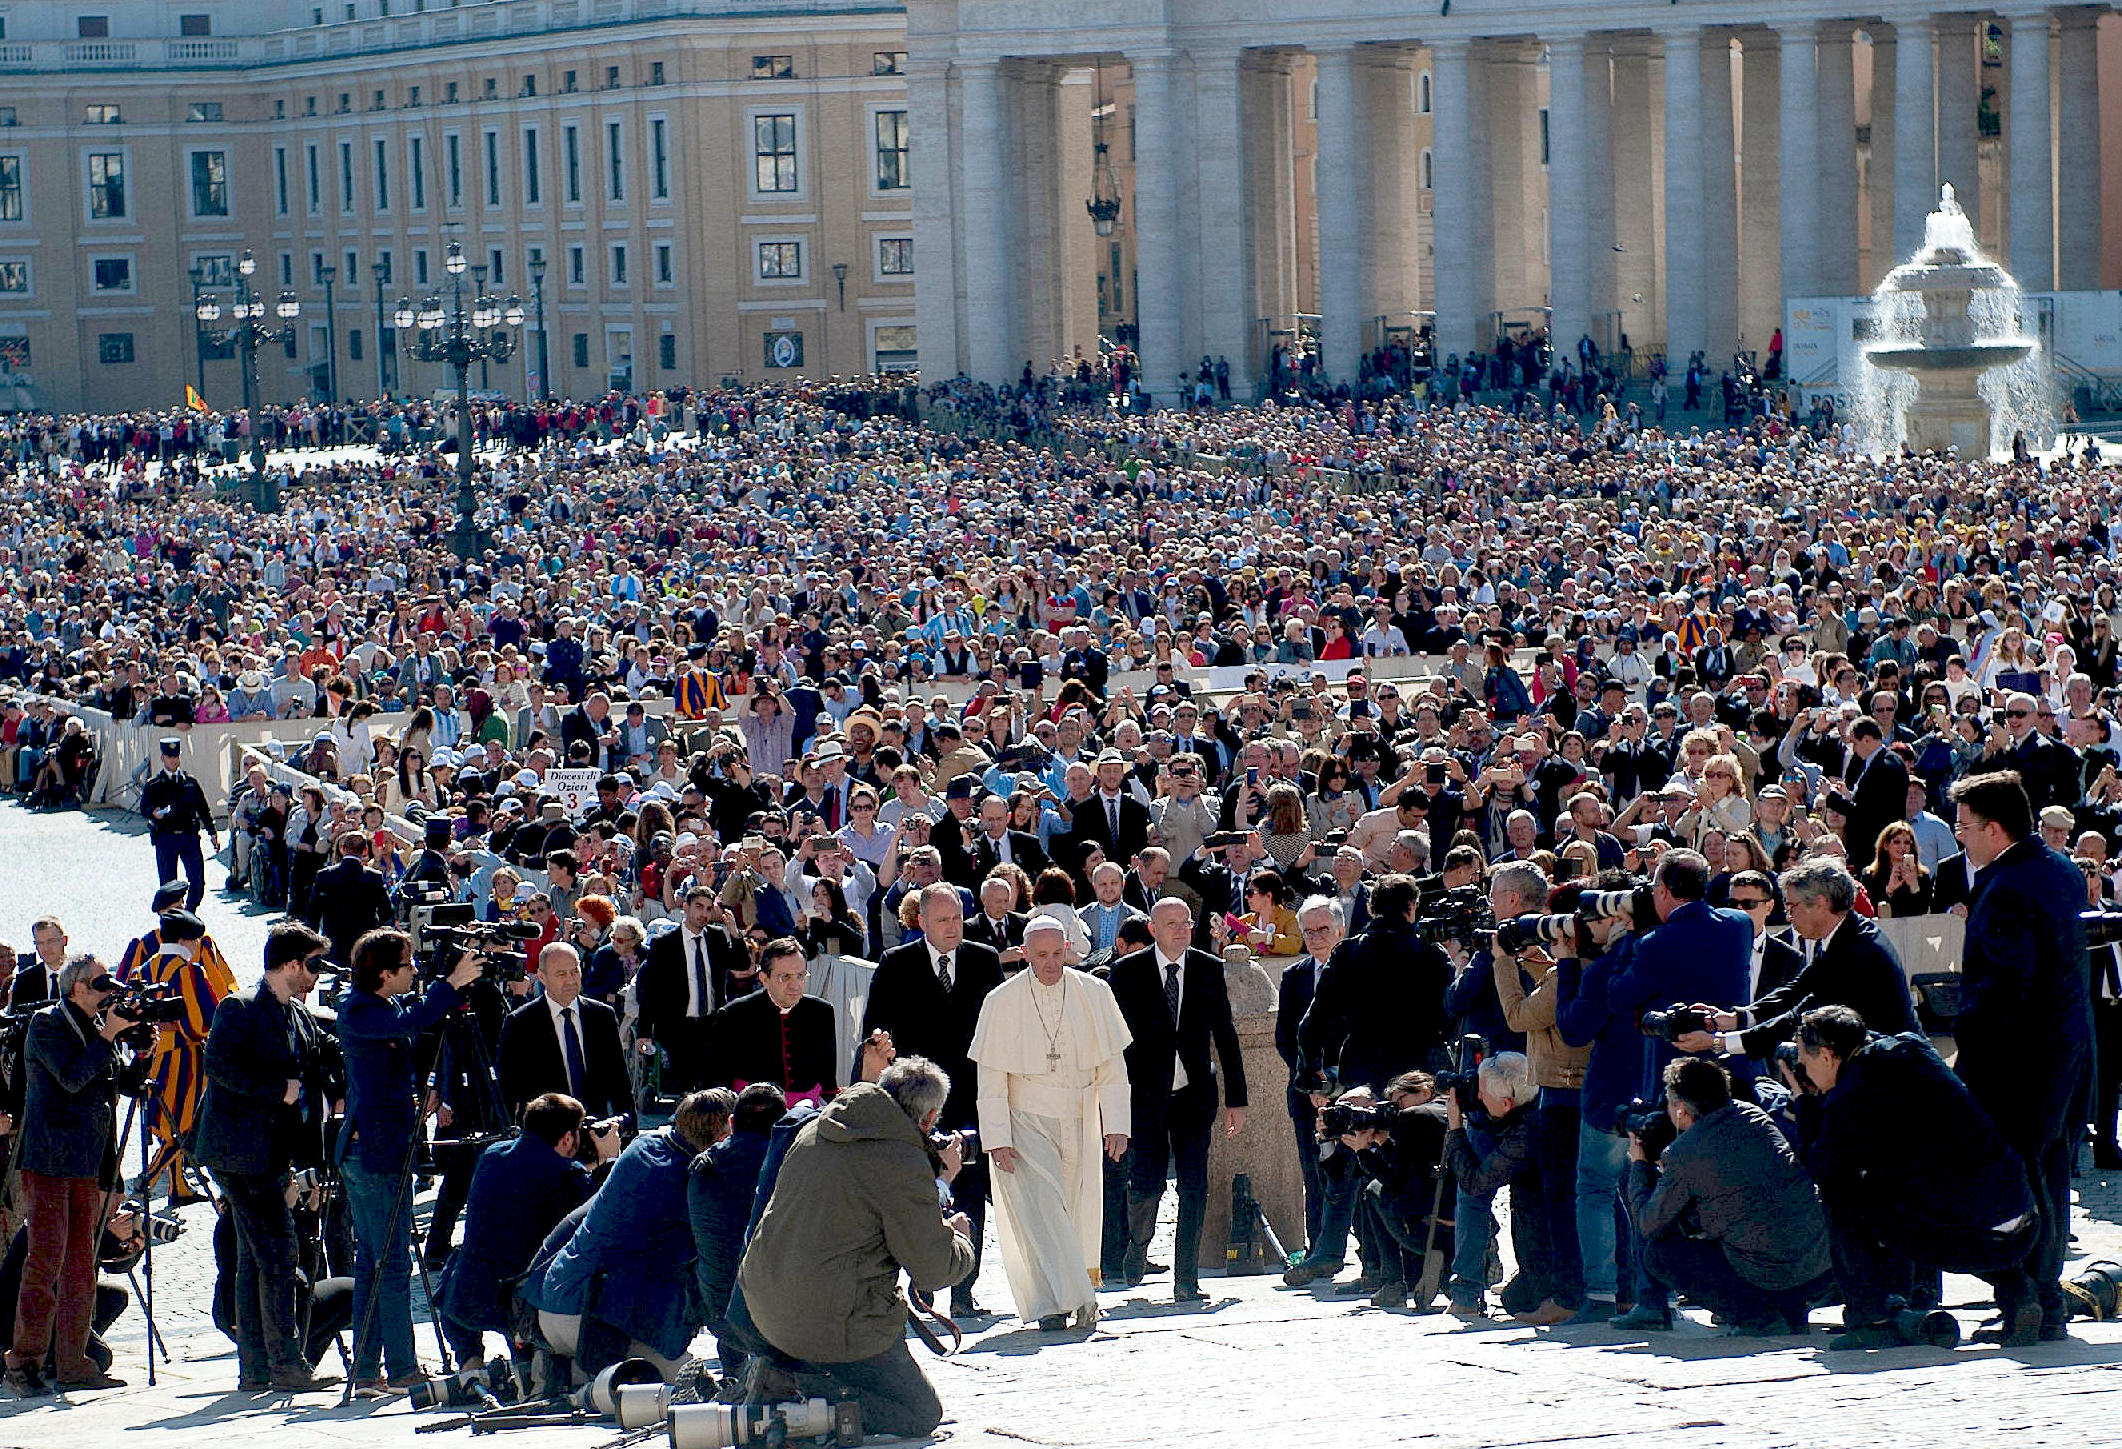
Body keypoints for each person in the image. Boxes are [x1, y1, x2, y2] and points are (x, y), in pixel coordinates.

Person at [736, 1057, 974, 1437]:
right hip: (830, 1321)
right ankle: (795, 1389)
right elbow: (934, 1269)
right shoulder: (901, 1160)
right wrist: (960, 1237)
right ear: (929, 1119)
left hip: (763, 1304)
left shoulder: (817, 1128)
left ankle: (787, 1372)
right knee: (919, 1413)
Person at [1781, 1006, 2040, 1350]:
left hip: (1971, 1240)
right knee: (1935, 1196)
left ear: (1827, 1056)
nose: (1804, 1070)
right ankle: (2019, 1295)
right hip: (2022, 1223)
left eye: (1805, 1061)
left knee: (1840, 1193)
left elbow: (1822, 1168)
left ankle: (1870, 1319)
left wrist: (1805, 1105)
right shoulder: (1911, 1048)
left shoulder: (1851, 1096)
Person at [1948, 770, 2095, 1343]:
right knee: (2049, 1174)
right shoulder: (2061, 870)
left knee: (2012, 1180)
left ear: (1995, 829)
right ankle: (2045, 1297)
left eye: (1965, 828)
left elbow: (2005, 983)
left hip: (2015, 1059)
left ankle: (2025, 1296)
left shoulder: (2007, 885)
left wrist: (1965, 1041)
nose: (1961, 838)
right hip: (2065, 1051)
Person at [334, 927, 482, 1397]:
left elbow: (413, 1026)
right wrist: (449, 984)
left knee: (374, 1263)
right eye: (407, 964)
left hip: (383, 1150)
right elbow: (410, 1022)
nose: (414, 971)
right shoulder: (359, 1009)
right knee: (391, 1263)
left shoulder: (383, 1005)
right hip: (371, 1155)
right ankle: (399, 1369)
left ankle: (368, 1370)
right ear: (383, 973)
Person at [193, 922, 340, 1393]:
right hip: (239, 1152)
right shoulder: (239, 1008)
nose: (317, 975)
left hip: (271, 1152)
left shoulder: (297, 1014)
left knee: (255, 1258)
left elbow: (319, 1059)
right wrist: (278, 1089)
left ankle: (255, 1368)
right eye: (313, 965)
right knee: (278, 1252)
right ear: (291, 964)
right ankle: (285, 1365)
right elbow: (219, 1067)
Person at [968, 915, 1132, 1330]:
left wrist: (1116, 1123)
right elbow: (991, 1077)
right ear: (1024, 954)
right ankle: (1068, 1301)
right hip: (1026, 1119)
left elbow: (1113, 1067)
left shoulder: (1094, 993)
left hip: (1080, 1116)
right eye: (1041, 955)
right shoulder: (1001, 1001)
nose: (1051, 963)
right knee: (1043, 1211)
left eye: (1058, 954)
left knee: (1073, 1210)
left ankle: (1062, 1299)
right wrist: (997, 1138)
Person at [858, 882, 1003, 1317]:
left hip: (971, 1097)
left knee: (970, 1191)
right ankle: (922, 1284)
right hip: (917, 1104)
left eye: (957, 918)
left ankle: (964, 1290)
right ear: (921, 922)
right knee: (918, 1195)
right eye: (942, 920)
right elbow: (876, 1032)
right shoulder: (896, 964)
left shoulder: (983, 959)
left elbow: (999, 1028)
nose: (952, 927)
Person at [4, 954, 145, 1397]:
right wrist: (109, 1035)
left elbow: (118, 1086)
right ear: (77, 987)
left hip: (86, 1162)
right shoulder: (47, 1024)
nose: (109, 991)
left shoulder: (98, 1027)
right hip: (49, 1162)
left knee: (81, 1264)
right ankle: (23, 1361)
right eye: (102, 983)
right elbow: (71, 1078)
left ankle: (74, 1362)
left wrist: (142, 1054)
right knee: (45, 1261)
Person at [1622, 1057, 1829, 1335]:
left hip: (1769, 1273)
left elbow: (1649, 1224)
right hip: (1818, 1264)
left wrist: (1640, 1165)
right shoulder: (1754, 1115)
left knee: (1661, 1255)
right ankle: (1788, 1309)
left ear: (1681, 1110)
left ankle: (1757, 1317)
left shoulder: (1683, 1153)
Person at [525, 1090, 721, 1380]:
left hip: (551, 1301)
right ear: (722, 1134)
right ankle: (582, 1379)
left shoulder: (642, 1147)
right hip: (589, 1319)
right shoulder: (691, 1181)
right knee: (688, 1379)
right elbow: (721, 1267)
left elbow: (573, 1221)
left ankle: (568, 1370)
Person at [1108, 896, 1247, 1303]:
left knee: (1194, 1185)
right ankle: (1138, 1245)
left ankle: (1186, 1277)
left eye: (1186, 923)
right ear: (1153, 929)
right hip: (1144, 1097)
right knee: (1145, 1184)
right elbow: (1113, 1042)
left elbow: (1225, 1034)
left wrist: (1237, 1099)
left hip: (1194, 1095)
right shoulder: (1127, 972)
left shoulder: (1208, 968)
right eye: (1172, 924)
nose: (1182, 930)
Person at [434, 1091, 612, 1370]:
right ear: (567, 1138)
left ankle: (470, 1361)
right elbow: (597, 1216)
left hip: (465, 1295)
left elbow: (534, 1178)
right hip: (519, 1302)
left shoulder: (492, 1155)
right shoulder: (569, 1175)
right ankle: (529, 1365)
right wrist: (608, 1160)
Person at [1680, 859, 1918, 1061]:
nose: (1789, 915)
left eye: (1793, 906)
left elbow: (1800, 1017)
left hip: (1897, 1071)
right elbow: (1797, 988)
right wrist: (1737, 1018)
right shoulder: (1847, 932)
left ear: (1821, 903)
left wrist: (1720, 1042)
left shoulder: (1856, 951)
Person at [114, 901, 233, 1204]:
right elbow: (201, 1022)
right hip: (184, 1058)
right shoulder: (188, 971)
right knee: (185, 1125)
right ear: (184, 941)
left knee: (168, 1123)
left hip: (149, 1056)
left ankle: (178, 1186)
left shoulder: (143, 970)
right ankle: (148, 1179)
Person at [1297, 874, 1451, 1092]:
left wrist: (1309, 1068)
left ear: (1373, 908)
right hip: (1420, 1068)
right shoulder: (1431, 952)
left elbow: (1316, 1019)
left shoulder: (1347, 953)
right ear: (1411, 906)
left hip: (1364, 1066)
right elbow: (1451, 1010)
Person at [687, 1083, 786, 1382]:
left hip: (717, 1315)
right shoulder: (786, 1165)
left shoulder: (702, 1167)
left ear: (731, 1123)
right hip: (773, 1322)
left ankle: (736, 1374)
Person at [1441, 1052, 1550, 1318]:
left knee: (1518, 1300)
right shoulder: (1535, 1108)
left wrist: (1455, 1128)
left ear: (1506, 1104)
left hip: (1548, 1246)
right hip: (1552, 1243)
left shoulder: (1523, 1137)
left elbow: (1474, 1183)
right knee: (1516, 1297)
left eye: (1482, 1094)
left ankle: (1466, 1295)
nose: (1477, 1098)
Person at [1276, 896, 1345, 1279]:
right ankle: (1319, 1249)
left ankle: (1365, 1252)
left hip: (1349, 1088)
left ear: (1340, 930)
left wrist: (1332, 1081)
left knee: (1353, 1172)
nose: (1316, 937)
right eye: (1309, 931)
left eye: (1323, 930)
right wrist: (1311, 1081)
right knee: (1313, 1173)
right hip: (1305, 1093)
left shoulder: (1356, 970)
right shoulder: (1295, 976)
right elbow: (1286, 1037)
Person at [499, 943, 630, 1121]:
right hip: (544, 1130)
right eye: (561, 974)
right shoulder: (521, 1023)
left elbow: (620, 1081)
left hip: (594, 1127)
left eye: (574, 972)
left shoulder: (602, 1016)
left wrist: (626, 1125)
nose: (570, 980)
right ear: (542, 977)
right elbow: (507, 1088)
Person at [636, 885, 746, 1093]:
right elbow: (650, 990)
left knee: (711, 1084)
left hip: (710, 1021)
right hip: (678, 1026)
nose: (704, 914)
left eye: (708, 909)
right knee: (684, 1086)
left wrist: (735, 935)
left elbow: (741, 964)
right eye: (699, 907)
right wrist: (644, 1032)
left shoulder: (716, 937)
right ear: (685, 907)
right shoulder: (665, 944)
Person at [708, 938, 839, 1103]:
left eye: (800, 976)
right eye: (785, 977)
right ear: (764, 978)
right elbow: (717, 1080)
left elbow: (828, 1078)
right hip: (753, 1109)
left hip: (808, 1109)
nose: (795, 985)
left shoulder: (821, 1012)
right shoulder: (734, 1015)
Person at [140, 735, 219, 911]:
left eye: (176, 756)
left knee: (197, 880)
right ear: (162, 758)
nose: (173, 760)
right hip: (166, 837)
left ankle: (189, 912)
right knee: (168, 884)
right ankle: (172, 917)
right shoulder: (154, 784)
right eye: (169, 757)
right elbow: (144, 807)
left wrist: (212, 833)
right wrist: (153, 813)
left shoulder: (190, 783)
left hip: (188, 837)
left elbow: (203, 809)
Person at [311, 831, 394, 968]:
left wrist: (313, 949)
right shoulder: (373, 877)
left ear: (343, 849)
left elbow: (313, 913)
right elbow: (386, 912)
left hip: (334, 944)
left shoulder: (325, 876)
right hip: (365, 944)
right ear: (365, 850)